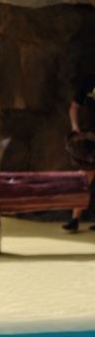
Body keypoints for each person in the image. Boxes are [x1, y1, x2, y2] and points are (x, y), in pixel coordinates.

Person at [63, 72, 95, 232]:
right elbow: (74, 106)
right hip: (91, 137)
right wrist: (75, 127)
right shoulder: (89, 80)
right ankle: (74, 219)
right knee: (84, 178)